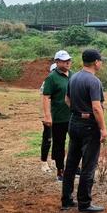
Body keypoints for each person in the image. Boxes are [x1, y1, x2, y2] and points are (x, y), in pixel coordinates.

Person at [62, 49, 107, 213]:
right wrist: (102, 128)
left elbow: (67, 99)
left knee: (71, 164)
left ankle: (66, 200)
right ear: (96, 62)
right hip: (89, 126)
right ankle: (84, 204)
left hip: (74, 122)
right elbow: (96, 107)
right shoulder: (94, 81)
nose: (101, 63)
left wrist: (77, 111)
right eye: (100, 61)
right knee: (88, 165)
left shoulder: (73, 77)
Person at [42, 50, 72, 182]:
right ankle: (60, 171)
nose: (67, 62)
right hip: (58, 117)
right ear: (57, 62)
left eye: (68, 60)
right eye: (64, 60)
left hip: (72, 116)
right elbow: (46, 97)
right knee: (59, 144)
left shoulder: (73, 75)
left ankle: (73, 167)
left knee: (75, 143)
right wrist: (48, 116)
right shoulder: (52, 78)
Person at [39, 62, 57, 172]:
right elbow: (44, 99)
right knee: (48, 138)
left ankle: (55, 161)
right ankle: (44, 163)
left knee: (58, 140)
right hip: (49, 115)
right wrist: (47, 116)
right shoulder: (47, 82)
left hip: (59, 115)